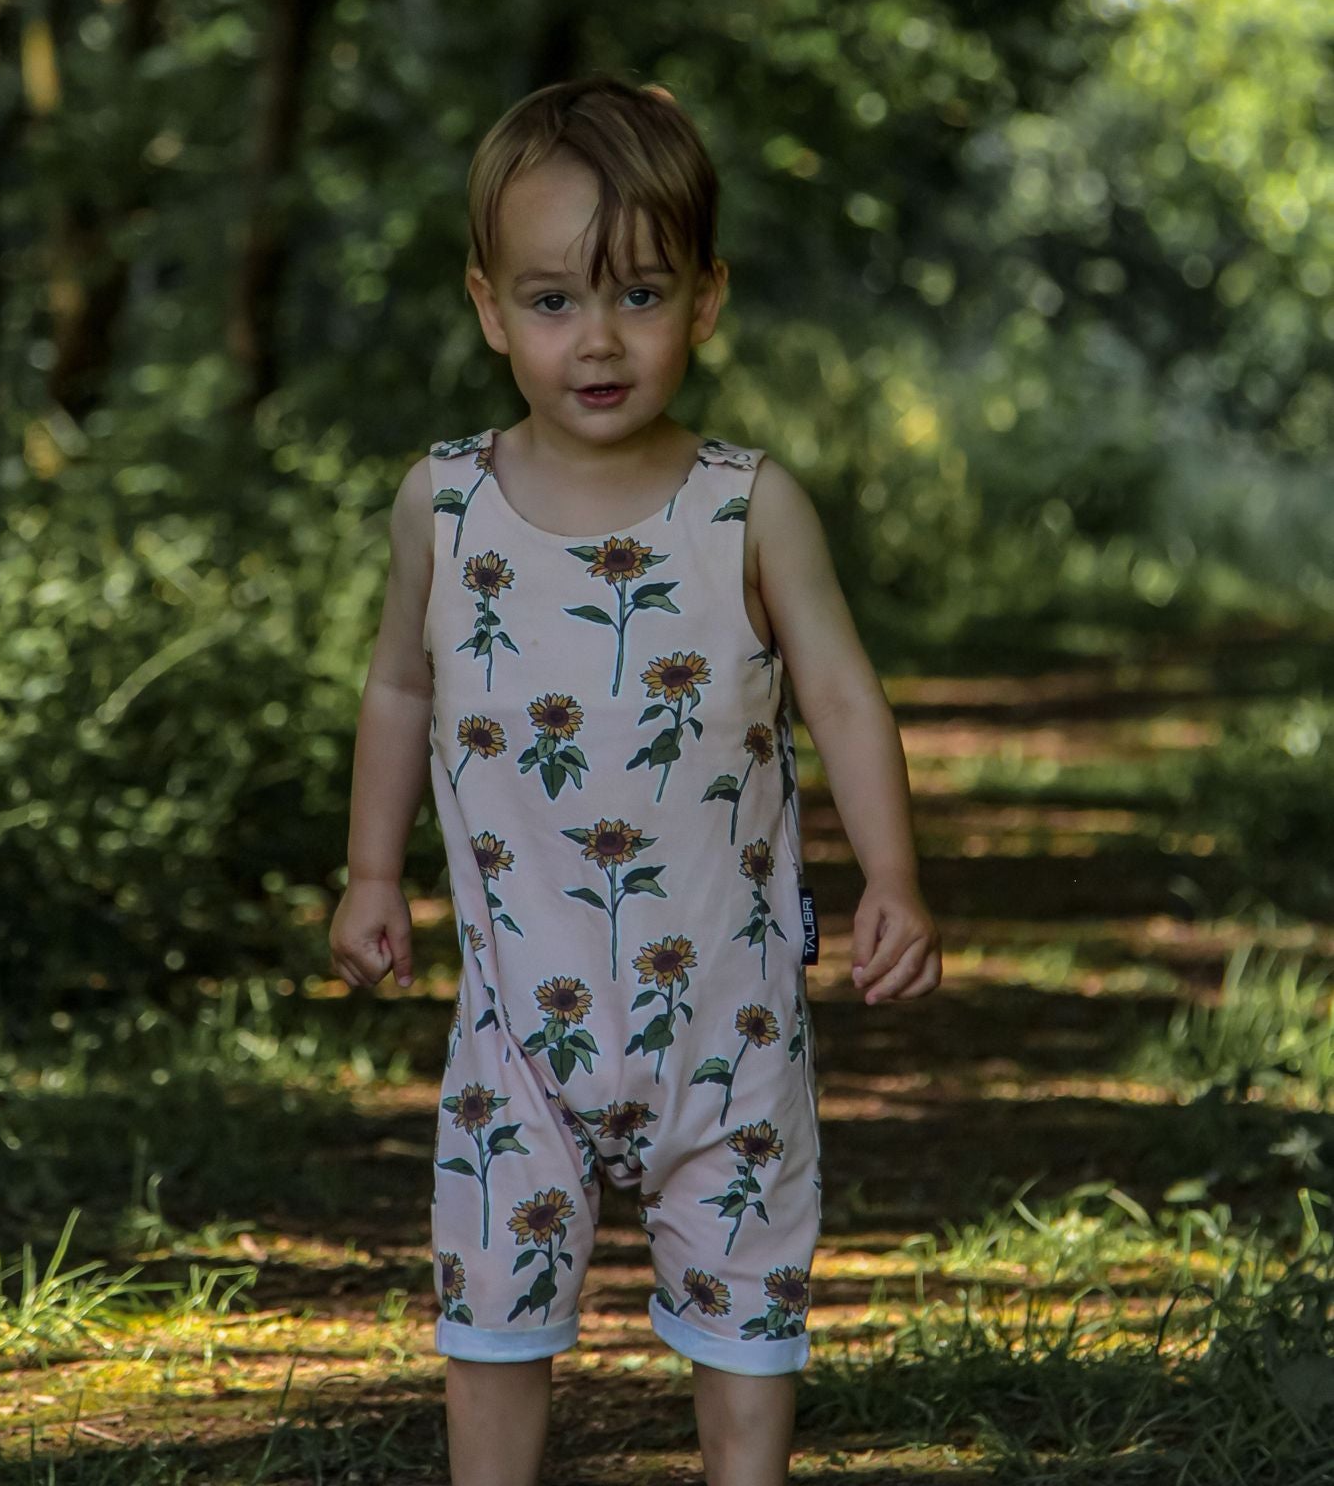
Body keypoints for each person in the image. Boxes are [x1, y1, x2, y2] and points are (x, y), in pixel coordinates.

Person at [328, 73, 942, 1486]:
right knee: (491, 1304)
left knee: (746, 1301)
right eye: (551, 302)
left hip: (723, 1020)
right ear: (488, 308)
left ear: (706, 300)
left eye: (640, 295)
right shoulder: (445, 502)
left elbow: (843, 696)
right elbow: (399, 687)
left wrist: (891, 879)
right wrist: (370, 872)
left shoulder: (747, 505)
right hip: (512, 1024)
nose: (595, 339)